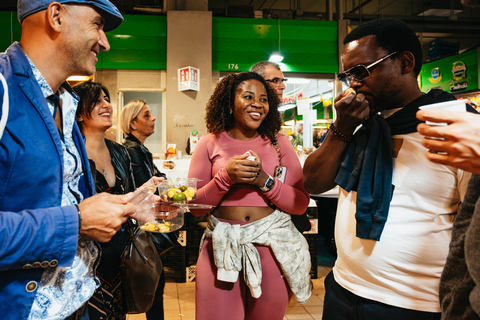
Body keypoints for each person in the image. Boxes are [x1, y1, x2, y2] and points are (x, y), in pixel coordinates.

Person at [303, 18, 471, 319]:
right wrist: (341, 127)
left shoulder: (455, 126)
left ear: (405, 62)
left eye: (361, 71)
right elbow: (314, 182)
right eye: (347, 74)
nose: (353, 82)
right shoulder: (360, 123)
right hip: (342, 289)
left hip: (413, 304)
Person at [0, 1, 148, 319]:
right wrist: (77, 222)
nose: (105, 42)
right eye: (97, 24)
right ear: (56, 16)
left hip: (79, 304)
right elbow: (74, 217)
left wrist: (125, 207)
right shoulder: (3, 89)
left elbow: (66, 200)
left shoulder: (67, 103)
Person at [188, 71, 312, 320]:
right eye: (248, 96)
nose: (257, 104)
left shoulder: (280, 143)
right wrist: (225, 178)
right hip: (220, 250)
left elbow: (299, 204)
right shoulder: (209, 143)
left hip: (271, 250)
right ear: (229, 104)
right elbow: (195, 207)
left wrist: (264, 181)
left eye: (264, 99)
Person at [75, 81, 158, 319]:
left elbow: (128, 196)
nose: (106, 105)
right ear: (80, 113)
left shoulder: (119, 151)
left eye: (107, 99)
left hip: (120, 253)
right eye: (97, 100)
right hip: (85, 257)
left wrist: (146, 195)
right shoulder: (70, 153)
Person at [119, 98, 167, 320]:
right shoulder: (132, 150)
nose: (153, 118)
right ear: (132, 124)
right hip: (141, 227)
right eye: (146, 115)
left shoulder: (139, 149)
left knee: (155, 283)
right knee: (154, 284)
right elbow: (148, 191)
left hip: (143, 226)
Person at [251, 61, 311, 234]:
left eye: (283, 80)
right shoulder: (217, 139)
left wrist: (266, 181)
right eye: (275, 80)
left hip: (275, 232)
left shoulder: (278, 140)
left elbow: (300, 201)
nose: (283, 85)